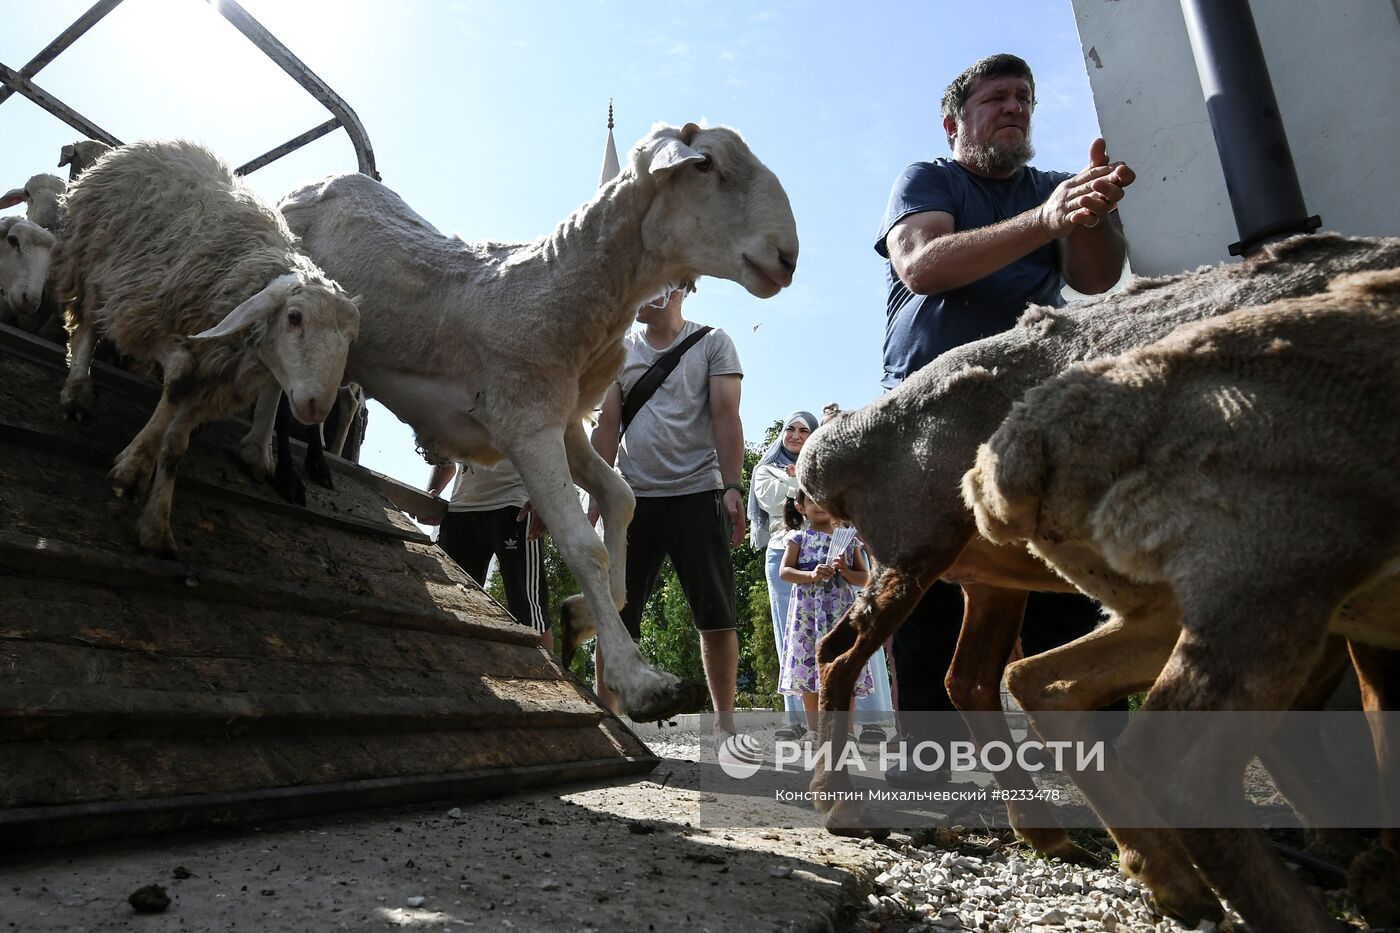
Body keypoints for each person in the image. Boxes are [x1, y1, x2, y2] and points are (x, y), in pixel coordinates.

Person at [874, 52, 1135, 788]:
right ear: (955, 120)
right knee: (921, 585)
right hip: (928, 414)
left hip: (1032, 414)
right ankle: (930, 780)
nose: (1015, 107)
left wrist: (1090, 210)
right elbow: (922, 265)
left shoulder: (1055, 186)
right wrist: (1045, 219)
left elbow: (1093, 277)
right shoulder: (929, 179)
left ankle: (1095, 771)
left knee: (1065, 569)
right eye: (996, 98)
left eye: (1024, 97)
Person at [588, 282, 758, 763]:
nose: (639, 290)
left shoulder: (714, 342)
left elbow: (727, 416)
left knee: (716, 613)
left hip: (697, 493)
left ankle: (724, 727)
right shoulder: (618, 350)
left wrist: (731, 486)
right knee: (615, 615)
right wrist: (596, 489)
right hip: (632, 499)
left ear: (680, 286)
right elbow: (606, 424)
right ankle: (610, 722)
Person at [426, 458, 554, 651]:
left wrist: (545, 495)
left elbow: (553, 441)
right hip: (461, 508)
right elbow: (444, 453)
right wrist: (431, 492)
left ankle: (547, 679)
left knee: (529, 614)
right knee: (452, 606)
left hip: (515, 505)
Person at [777, 489, 877, 733]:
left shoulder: (849, 539)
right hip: (807, 617)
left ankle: (845, 733)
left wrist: (844, 570)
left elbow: (865, 578)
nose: (819, 505)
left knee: (844, 670)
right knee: (808, 671)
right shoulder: (797, 538)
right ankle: (815, 732)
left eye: (824, 499)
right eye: (811, 500)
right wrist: (810, 575)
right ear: (800, 507)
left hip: (839, 614)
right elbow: (785, 572)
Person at [749, 410, 817, 738]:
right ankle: (797, 720)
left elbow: (831, 498)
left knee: (831, 629)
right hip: (782, 548)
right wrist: (802, 485)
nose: (795, 435)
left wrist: (794, 484)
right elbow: (773, 501)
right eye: (790, 429)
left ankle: (853, 719)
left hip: (825, 549)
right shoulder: (766, 469)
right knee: (789, 633)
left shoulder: (824, 466)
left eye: (804, 430)